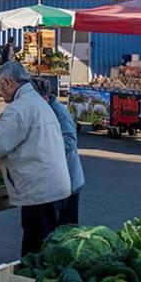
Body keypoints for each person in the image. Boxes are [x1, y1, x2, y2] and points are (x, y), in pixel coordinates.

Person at [0, 61, 72, 255]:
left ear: (8, 82)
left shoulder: (19, 108)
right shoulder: (35, 101)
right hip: (52, 186)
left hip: (40, 190)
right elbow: (10, 136)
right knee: (48, 247)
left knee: (36, 251)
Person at [32, 77, 84, 225]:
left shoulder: (59, 112)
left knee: (64, 229)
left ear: (45, 98)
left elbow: (70, 142)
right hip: (53, 181)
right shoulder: (44, 110)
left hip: (68, 181)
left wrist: (40, 145)